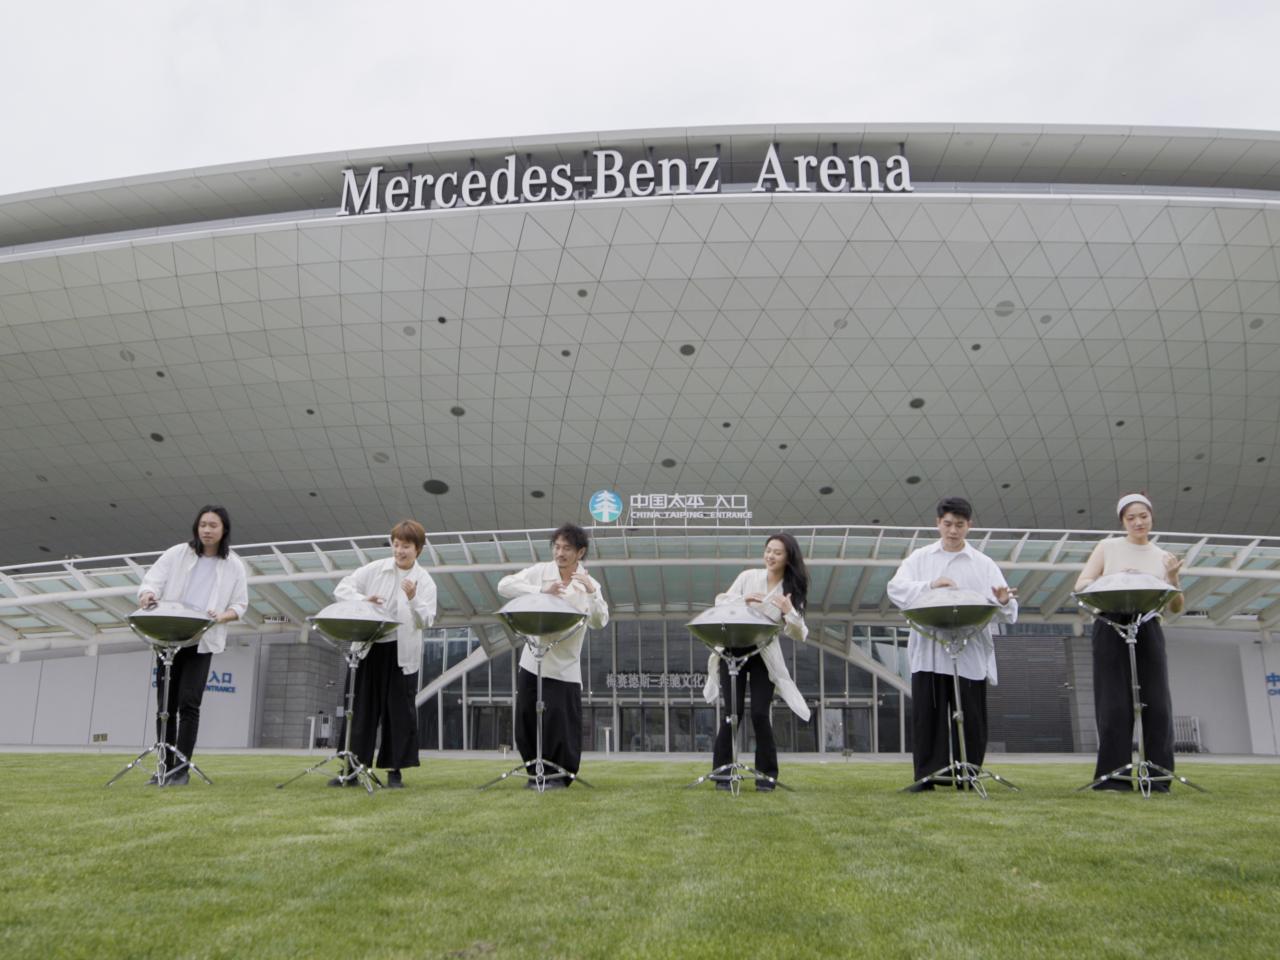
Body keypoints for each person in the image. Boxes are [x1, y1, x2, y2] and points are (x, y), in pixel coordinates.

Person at [887, 497, 1017, 791]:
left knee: (971, 717)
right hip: (930, 649)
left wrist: (1003, 601)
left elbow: (1006, 607)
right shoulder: (920, 558)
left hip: (969, 650)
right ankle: (927, 776)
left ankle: (968, 775)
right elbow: (895, 588)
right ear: (938, 524)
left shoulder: (983, 564)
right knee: (927, 717)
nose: (953, 531)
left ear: (969, 526)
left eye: (959, 525)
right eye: (948, 524)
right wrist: (930, 585)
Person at [1075, 493, 1184, 792]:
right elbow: (1082, 585)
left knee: (1158, 703)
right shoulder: (1108, 547)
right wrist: (1117, 580)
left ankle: (1158, 776)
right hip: (1111, 621)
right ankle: (1114, 778)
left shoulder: (1162, 556)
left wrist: (1173, 579)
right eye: (1131, 517)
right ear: (1123, 521)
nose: (1138, 522)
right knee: (1113, 703)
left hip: (1148, 623)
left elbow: (1175, 607)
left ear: (1151, 517)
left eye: (1143, 516)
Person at [137, 505, 248, 786]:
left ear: (224, 530)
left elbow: (240, 604)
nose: (207, 530)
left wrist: (222, 615)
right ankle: (163, 766)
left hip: (202, 641)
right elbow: (153, 580)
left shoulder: (233, 564)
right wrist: (148, 594)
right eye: (203, 525)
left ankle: (181, 769)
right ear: (196, 528)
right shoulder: (177, 554)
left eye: (213, 525)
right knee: (165, 706)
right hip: (170, 638)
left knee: (189, 705)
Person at [497, 523, 608, 788]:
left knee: (561, 722)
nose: (560, 553)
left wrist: (591, 593)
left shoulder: (590, 584)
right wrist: (540, 591)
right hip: (532, 659)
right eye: (557, 547)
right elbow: (504, 586)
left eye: (566, 548)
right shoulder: (540, 572)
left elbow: (599, 621)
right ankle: (534, 771)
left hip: (565, 666)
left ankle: (559, 776)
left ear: (580, 552)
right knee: (526, 716)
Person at [331, 519, 437, 788]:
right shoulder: (375, 569)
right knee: (361, 709)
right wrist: (362, 601)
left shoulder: (424, 581)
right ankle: (353, 767)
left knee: (398, 713)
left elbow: (427, 620)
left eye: (406, 546)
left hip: (401, 655)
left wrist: (413, 598)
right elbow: (342, 588)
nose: (400, 551)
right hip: (369, 648)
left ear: (418, 550)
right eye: (396, 544)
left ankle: (395, 770)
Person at [702, 533, 812, 792]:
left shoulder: (792, 589)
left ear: (788, 558)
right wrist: (744, 600)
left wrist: (789, 612)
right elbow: (720, 603)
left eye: (777, 552)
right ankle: (723, 774)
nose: (771, 556)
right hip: (732, 649)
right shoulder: (747, 577)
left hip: (762, 652)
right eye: (768, 550)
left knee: (761, 714)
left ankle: (767, 776)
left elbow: (800, 633)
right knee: (733, 713)